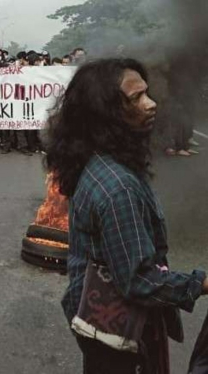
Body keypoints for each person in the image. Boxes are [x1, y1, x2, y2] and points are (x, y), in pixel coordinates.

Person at [45, 58, 208, 373]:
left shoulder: (98, 157)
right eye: (136, 98)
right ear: (105, 114)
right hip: (118, 331)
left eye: (147, 93)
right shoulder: (118, 188)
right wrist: (200, 283)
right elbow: (138, 280)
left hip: (94, 315)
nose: (151, 104)